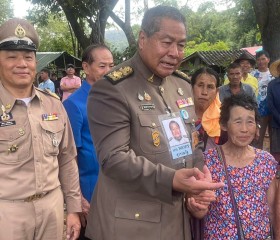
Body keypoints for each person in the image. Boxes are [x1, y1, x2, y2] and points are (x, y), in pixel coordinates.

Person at [85, 6, 224, 240]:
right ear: (142, 39)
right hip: (131, 226)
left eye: (181, 45)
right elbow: (114, 159)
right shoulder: (113, 89)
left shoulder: (180, 84)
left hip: (176, 222)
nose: (175, 52)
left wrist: (199, 181)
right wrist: (172, 180)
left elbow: (193, 143)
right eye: (166, 42)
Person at [0, 18, 81, 239]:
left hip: (52, 209)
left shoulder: (53, 103)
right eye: (12, 57)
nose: (22, 64)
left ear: (36, 62)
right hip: (7, 214)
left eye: (28, 57)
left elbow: (67, 158)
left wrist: (73, 208)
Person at [187, 94, 278, 239]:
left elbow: (272, 210)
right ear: (224, 125)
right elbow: (200, 209)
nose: (244, 129)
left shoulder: (266, 161)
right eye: (237, 122)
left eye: (250, 122)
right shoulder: (208, 161)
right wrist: (197, 208)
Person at [63, 44, 114, 240]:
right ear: (85, 67)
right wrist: (78, 201)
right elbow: (70, 156)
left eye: (111, 65)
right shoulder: (74, 105)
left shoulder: (115, 99)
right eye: (102, 66)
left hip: (119, 189)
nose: (108, 71)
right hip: (91, 192)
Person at [191, 67, 227, 151]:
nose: (204, 92)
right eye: (200, 85)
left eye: (210, 87)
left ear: (217, 91)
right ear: (192, 87)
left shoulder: (223, 121)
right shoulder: (180, 114)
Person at [251, 50, 273, 149]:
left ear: (268, 60)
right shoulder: (252, 74)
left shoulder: (274, 74)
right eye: (258, 59)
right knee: (258, 136)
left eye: (263, 59)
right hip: (259, 109)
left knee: (274, 137)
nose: (261, 61)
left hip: (273, 109)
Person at [267, 58, 280, 163]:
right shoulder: (272, 85)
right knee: (276, 148)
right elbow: (270, 104)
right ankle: (276, 170)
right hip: (276, 122)